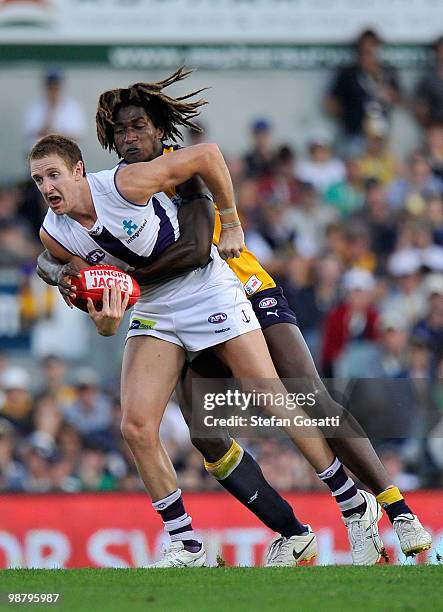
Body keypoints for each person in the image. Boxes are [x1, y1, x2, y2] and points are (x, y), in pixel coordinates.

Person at [36, 70, 431, 565]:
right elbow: (58, 262)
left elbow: (197, 251)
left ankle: (390, 508)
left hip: (233, 277)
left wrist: (131, 274)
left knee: (305, 393)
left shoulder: (177, 174)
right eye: (120, 132)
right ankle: (287, 533)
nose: (129, 138)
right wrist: (75, 281)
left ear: (160, 131)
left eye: (139, 128)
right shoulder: (91, 202)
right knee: (202, 427)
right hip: (163, 306)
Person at [325, 29, 401, 156]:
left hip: (380, 135)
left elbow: (400, 100)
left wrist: (389, 95)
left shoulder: (388, 71)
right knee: (356, 171)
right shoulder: (348, 73)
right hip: (356, 133)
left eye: (371, 48)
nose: (368, 52)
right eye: (364, 48)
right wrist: (348, 116)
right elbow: (329, 103)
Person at [23, 68, 86, 152]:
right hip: (39, 156)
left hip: (66, 155)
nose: (53, 90)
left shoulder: (73, 107)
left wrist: (54, 135)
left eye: (56, 86)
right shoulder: (34, 107)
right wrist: (50, 112)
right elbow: (32, 133)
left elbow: (77, 135)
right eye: (50, 87)